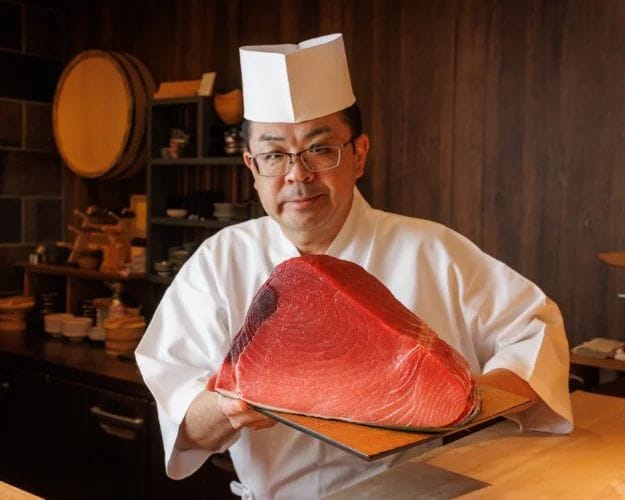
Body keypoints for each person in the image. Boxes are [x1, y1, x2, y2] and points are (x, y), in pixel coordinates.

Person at [136, 33, 573, 500]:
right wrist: (228, 408)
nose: (298, 174)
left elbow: (534, 330)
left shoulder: (433, 250)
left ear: (359, 154)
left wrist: (466, 401)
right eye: (274, 155)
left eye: (320, 149)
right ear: (252, 166)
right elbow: (184, 418)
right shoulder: (219, 262)